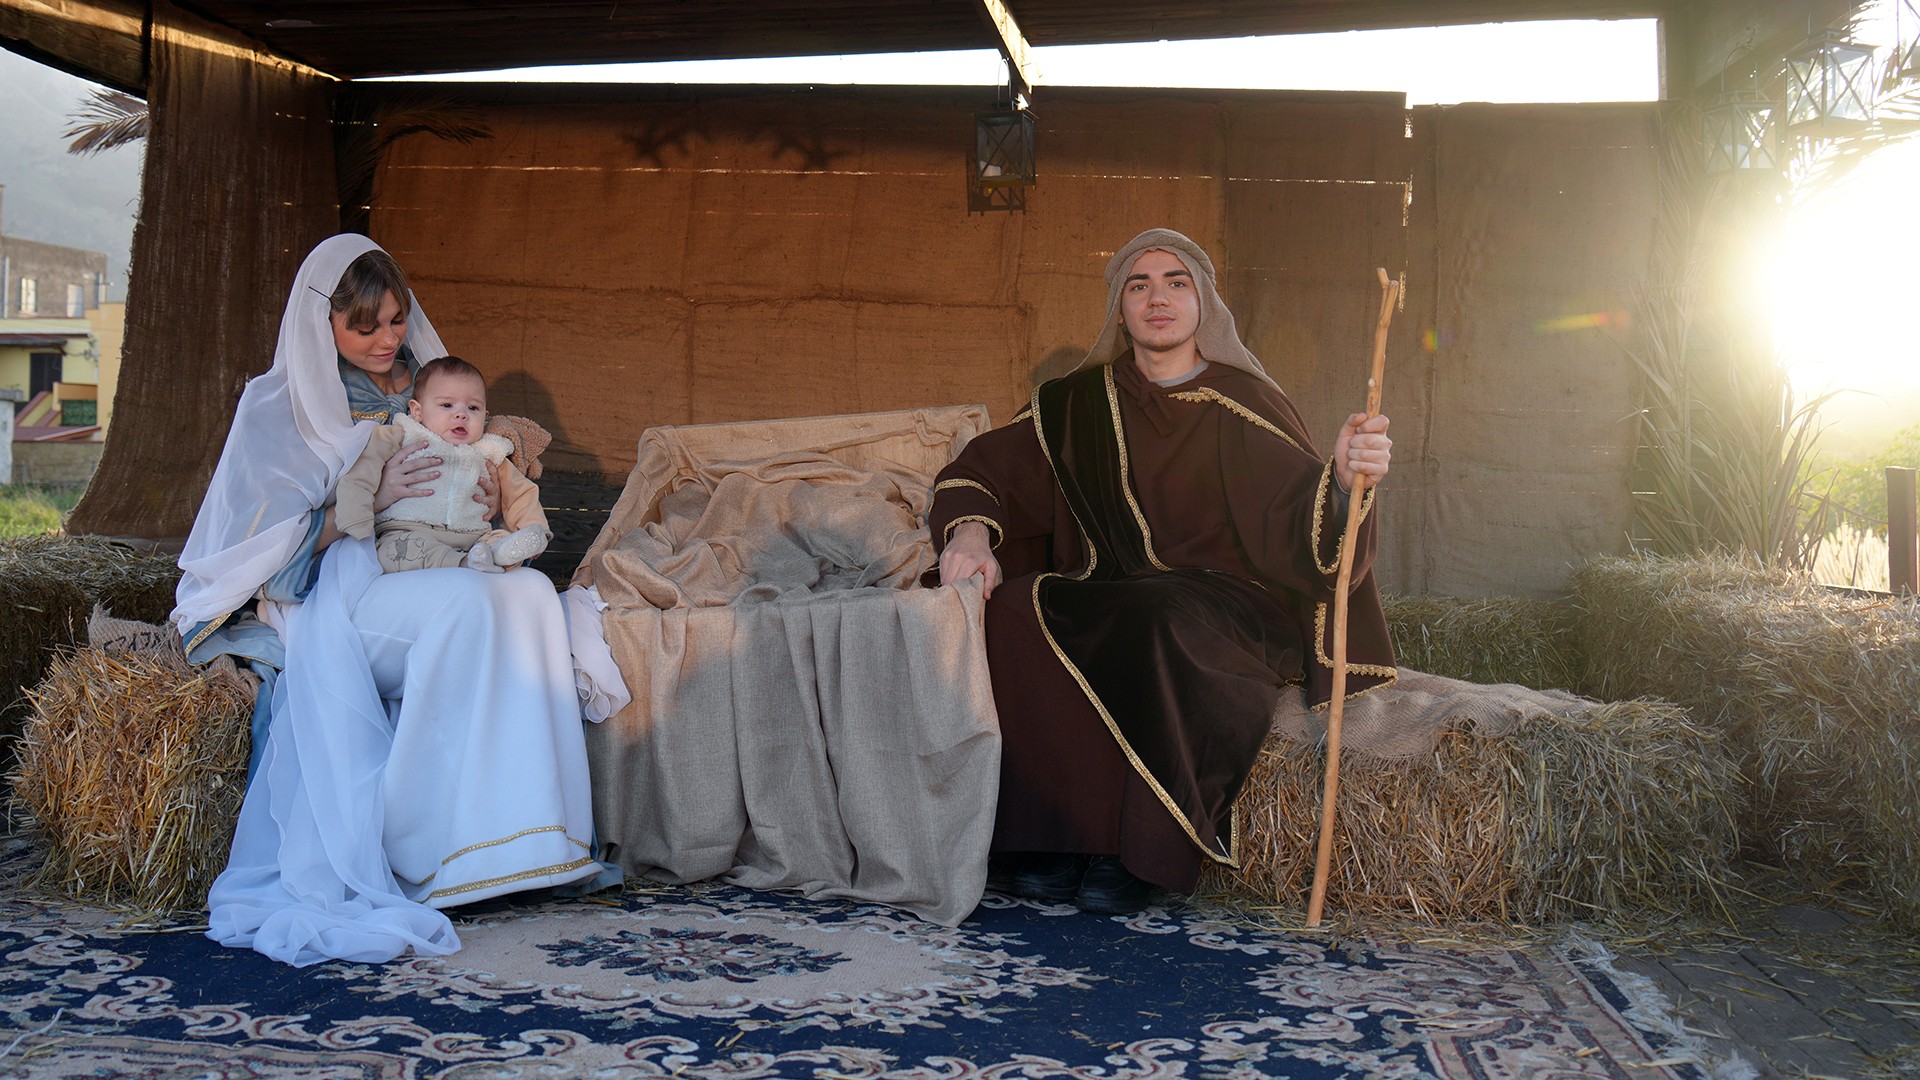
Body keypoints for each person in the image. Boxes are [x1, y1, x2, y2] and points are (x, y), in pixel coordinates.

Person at [928, 227, 1397, 916]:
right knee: (1017, 608)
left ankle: (1135, 850)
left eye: (1176, 282)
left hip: (1227, 607)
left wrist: (1349, 481)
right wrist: (972, 535)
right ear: (1118, 311)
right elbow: (981, 472)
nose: (1158, 298)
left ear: (1203, 302)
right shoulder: (1075, 405)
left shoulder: (1243, 402)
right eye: (1138, 286)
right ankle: (1054, 838)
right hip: (1108, 590)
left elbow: (1309, 528)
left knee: (1154, 617)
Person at [173, 234, 606, 967]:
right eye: (363, 325)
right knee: (465, 607)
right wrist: (368, 504)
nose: (386, 340)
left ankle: (534, 846)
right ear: (322, 321)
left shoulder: (429, 385)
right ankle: (424, 852)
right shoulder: (277, 407)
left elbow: (476, 472)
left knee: (533, 592)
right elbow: (254, 551)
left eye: (397, 320)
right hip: (335, 592)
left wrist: (480, 494)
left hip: (432, 566)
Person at [334, 354, 551, 574]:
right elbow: (362, 473)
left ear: (485, 416)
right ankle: (467, 563)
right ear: (417, 411)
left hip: (473, 536)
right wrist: (355, 518)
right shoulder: (401, 436)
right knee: (397, 551)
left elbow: (521, 492)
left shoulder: (489, 451)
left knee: (498, 539)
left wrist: (535, 526)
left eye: (473, 408)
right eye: (447, 405)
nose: (461, 414)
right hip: (410, 530)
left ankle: (497, 553)